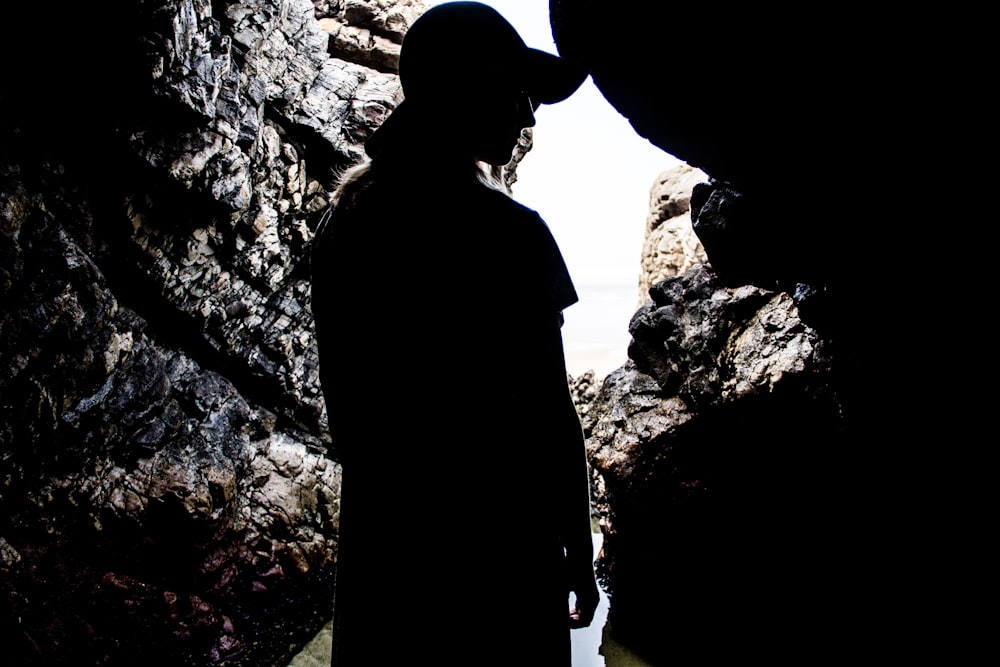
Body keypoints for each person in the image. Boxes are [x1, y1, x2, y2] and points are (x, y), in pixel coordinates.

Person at [310, 3, 599, 664]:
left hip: (386, 574)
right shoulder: (509, 235)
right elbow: (552, 418)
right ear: (471, 93)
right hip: (500, 575)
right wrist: (577, 553)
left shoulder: (344, 228)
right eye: (519, 93)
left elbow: (351, 424)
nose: (528, 115)